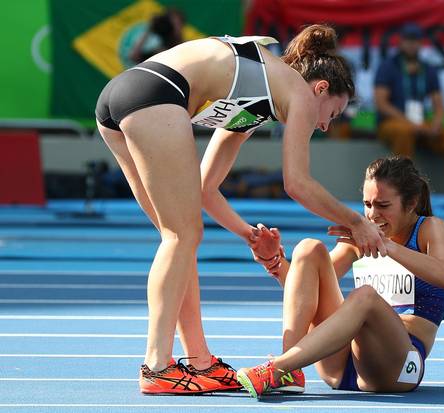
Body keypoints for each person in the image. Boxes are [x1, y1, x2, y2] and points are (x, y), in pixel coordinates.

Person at [94, 24, 386, 395]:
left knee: (180, 243)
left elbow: (205, 188)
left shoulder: (255, 102)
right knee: (181, 236)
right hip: (155, 93)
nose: (327, 125)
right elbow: (297, 183)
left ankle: (200, 361)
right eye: (335, 112)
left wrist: (247, 233)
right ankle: (156, 366)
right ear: (321, 89)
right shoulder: (297, 91)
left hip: (122, 96)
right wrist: (356, 222)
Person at [237, 155, 444, 398]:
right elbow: (305, 289)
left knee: (365, 296)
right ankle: (290, 370)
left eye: (383, 206)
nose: (372, 215)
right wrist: (274, 262)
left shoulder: (430, 229)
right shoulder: (360, 238)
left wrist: (386, 246)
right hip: (341, 364)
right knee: (309, 248)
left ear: (412, 202)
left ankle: (279, 367)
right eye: (367, 204)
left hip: (399, 367)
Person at [374, 23, 444, 200]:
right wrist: (411, 124)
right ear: (401, 43)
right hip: (393, 125)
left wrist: (437, 122)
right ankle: (402, 193)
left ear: (421, 44)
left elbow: (439, 105)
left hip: (421, 125)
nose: (412, 45)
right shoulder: (388, 66)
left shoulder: (428, 69)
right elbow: (381, 104)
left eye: (416, 41)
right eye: (408, 41)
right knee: (404, 132)